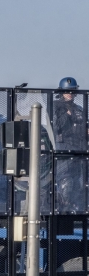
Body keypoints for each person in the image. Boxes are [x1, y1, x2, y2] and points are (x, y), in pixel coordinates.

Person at [53, 77, 85, 212]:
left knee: (79, 182)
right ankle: (62, 207)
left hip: (80, 149)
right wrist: (66, 115)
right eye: (67, 91)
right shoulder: (55, 106)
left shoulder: (79, 108)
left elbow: (84, 126)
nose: (70, 94)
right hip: (64, 150)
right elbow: (56, 126)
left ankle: (74, 208)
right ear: (62, 92)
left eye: (72, 91)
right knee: (66, 180)